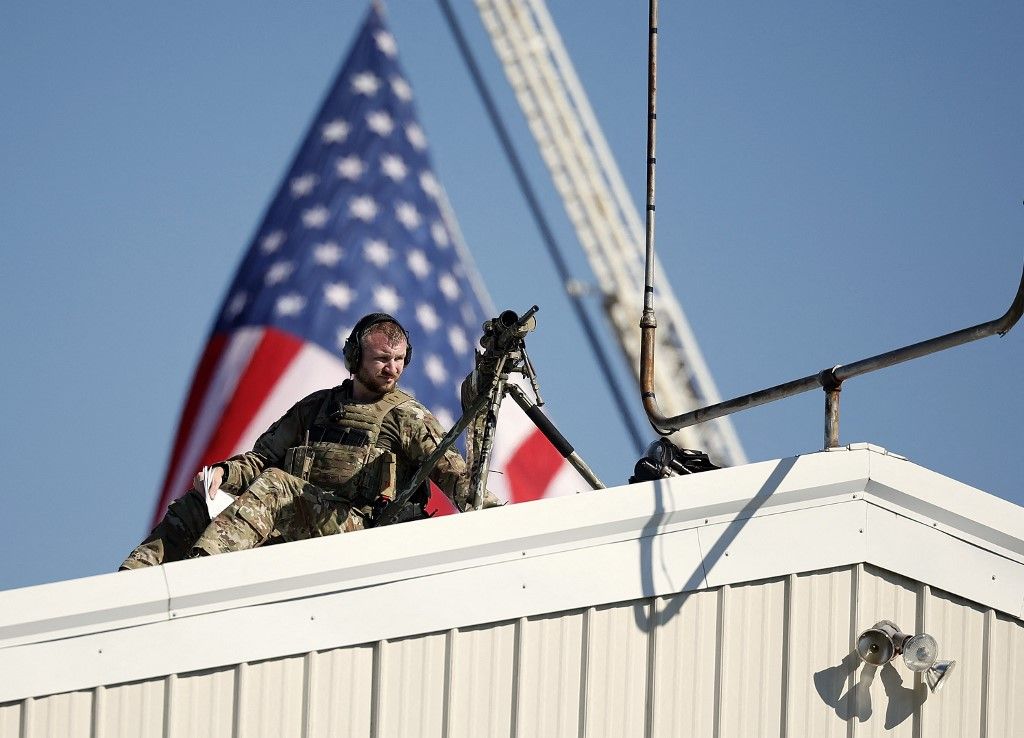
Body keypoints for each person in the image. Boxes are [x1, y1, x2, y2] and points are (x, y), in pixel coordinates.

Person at [120, 312, 493, 569]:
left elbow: (453, 475)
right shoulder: (317, 407)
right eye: (381, 359)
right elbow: (261, 459)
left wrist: (492, 509)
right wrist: (222, 473)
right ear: (354, 357)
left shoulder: (407, 416)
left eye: (398, 359)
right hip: (302, 522)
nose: (392, 369)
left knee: (278, 487)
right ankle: (135, 579)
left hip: (358, 530)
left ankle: (202, 570)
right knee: (199, 501)